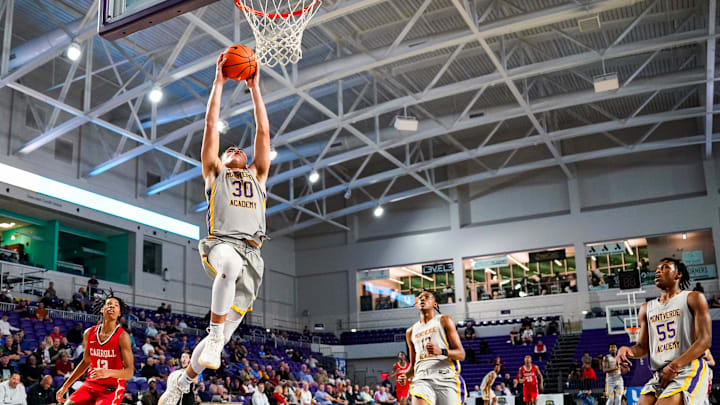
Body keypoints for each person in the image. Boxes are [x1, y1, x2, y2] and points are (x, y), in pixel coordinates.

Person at [160, 52, 270, 405]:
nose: (235, 148)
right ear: (219, 161)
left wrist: (255, 88)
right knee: (229, 268)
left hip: (255, 255)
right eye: (229, 149)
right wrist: (219, 83)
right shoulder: (214, 173)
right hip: (221, 243)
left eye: (240, 148)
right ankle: (213, 329)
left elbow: (264, 129)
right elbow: (211, 125)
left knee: (215, 348)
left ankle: (182, 380)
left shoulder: (258, 175)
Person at [616, 258, 711, 405]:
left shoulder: (693, 298)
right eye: (657, 269)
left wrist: (674, 366)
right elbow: (642, 347)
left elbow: (704, 341)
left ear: (678, 274)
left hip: (688, 368)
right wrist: (626, 350)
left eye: (665, 267)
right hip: (660, 373)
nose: (658, 271)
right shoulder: (646, 308)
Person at [55, 291, 135, 405]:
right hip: (91, 384)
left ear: (119, 313)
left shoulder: (122, 337)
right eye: (109, 304)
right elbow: (86, 361)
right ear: (102, 309)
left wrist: (107, 372)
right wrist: (65, 386)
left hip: (111, 388)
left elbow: (129, 372)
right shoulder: (89, 333)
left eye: (116, 305)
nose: (112, 306)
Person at [398, 290, 466, 405]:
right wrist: (406, 375)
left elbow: (461, 354)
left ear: (435, 304)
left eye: (427, 297)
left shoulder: (444, 320)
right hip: (422, 378)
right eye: (420, 298)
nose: (422, 299)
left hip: (445, 375)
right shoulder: (410, 331)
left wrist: (441, 351)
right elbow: (414, 365)